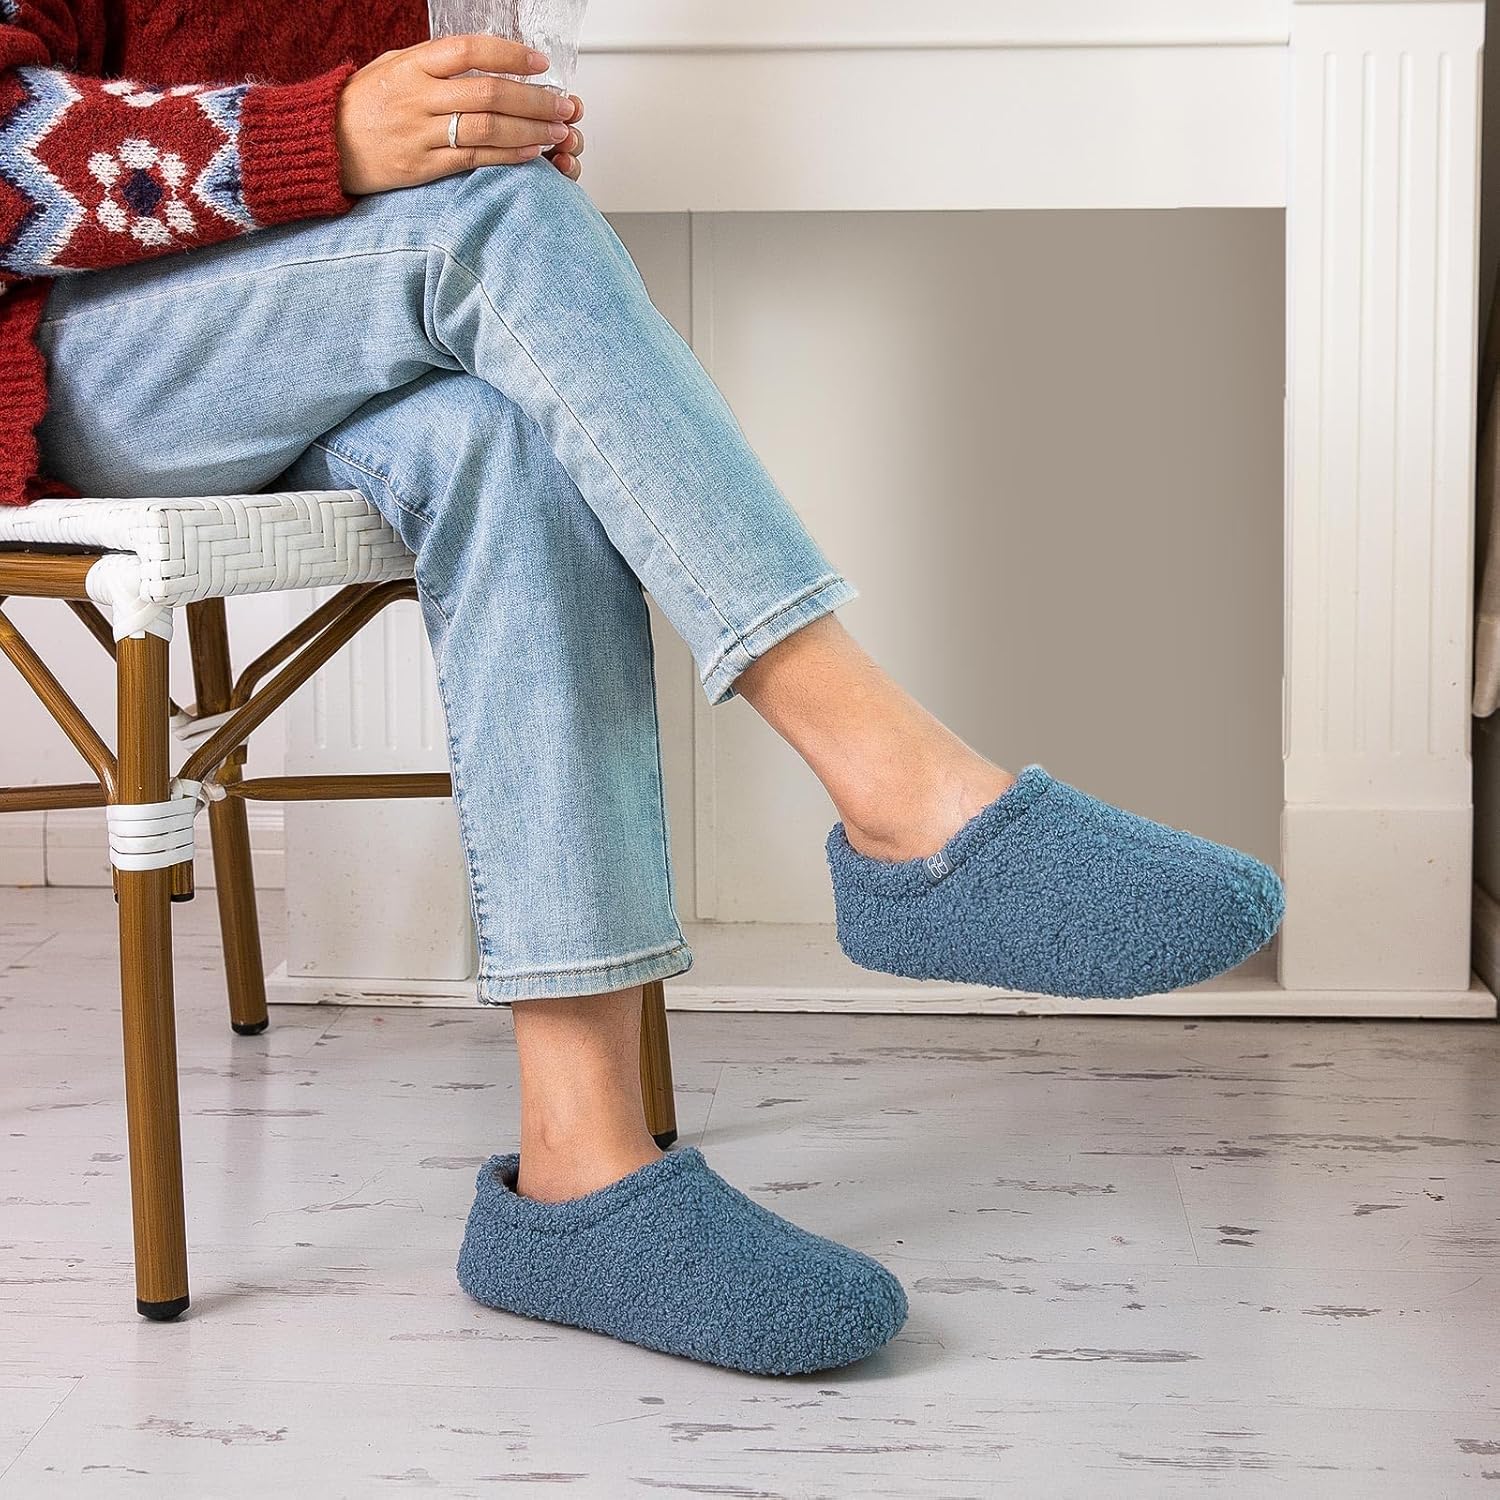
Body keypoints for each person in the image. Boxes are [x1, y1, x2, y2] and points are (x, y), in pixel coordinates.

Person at [0, 6, 1284, 1375]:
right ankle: (905, 799)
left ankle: (582, 1174)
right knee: (491, 226)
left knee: (512, 432)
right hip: (66, 364)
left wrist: (459, 127)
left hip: (284, 312)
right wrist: (316, 140)